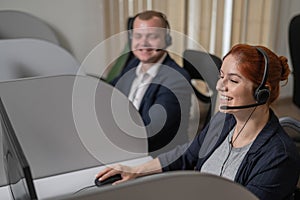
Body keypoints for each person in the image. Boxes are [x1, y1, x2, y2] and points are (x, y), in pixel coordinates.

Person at [97, 44, 300, 200]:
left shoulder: (279, 157)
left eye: (233, 80)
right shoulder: (224, 120)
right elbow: (188, 153)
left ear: (263, 92)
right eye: (221, 76)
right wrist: (134, 170)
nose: (220, 86)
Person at [110, 10, 192, 155]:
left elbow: (153, 133)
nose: (143, 43)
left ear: (167, 40)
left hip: (154, 158)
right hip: (127, 145)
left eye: (152, 36)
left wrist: (109, 135)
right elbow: (110, 90)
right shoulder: (134, 64)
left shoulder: (176, 80)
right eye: (138, 36)